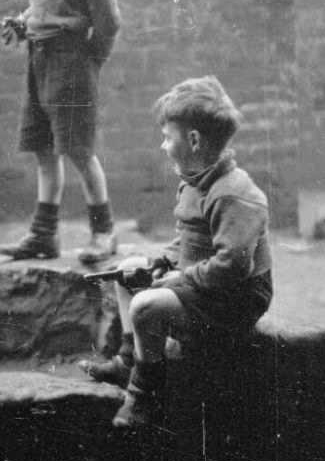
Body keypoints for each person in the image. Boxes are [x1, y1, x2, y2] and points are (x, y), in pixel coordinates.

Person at [81, 75, 273, 428]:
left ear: (194, 140)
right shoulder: (195, 181)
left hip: (234, 300)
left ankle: (145, 393)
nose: (162, 145)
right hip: (207, 282)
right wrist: (160, 263)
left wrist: (179, 279)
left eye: (168, 137)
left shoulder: (233, 195)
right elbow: (187, 238)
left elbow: (233, 265)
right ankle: (128, 361)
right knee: (130, 270)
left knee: (145, 306)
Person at [0, 0, 121, 265]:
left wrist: (91, 61)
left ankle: (104, 234)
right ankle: (43, 236)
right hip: (39, 63)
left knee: (78, 151)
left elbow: (109, 22)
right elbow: (44, 11)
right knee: (43, 149)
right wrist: (23, 25)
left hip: (71, 67)